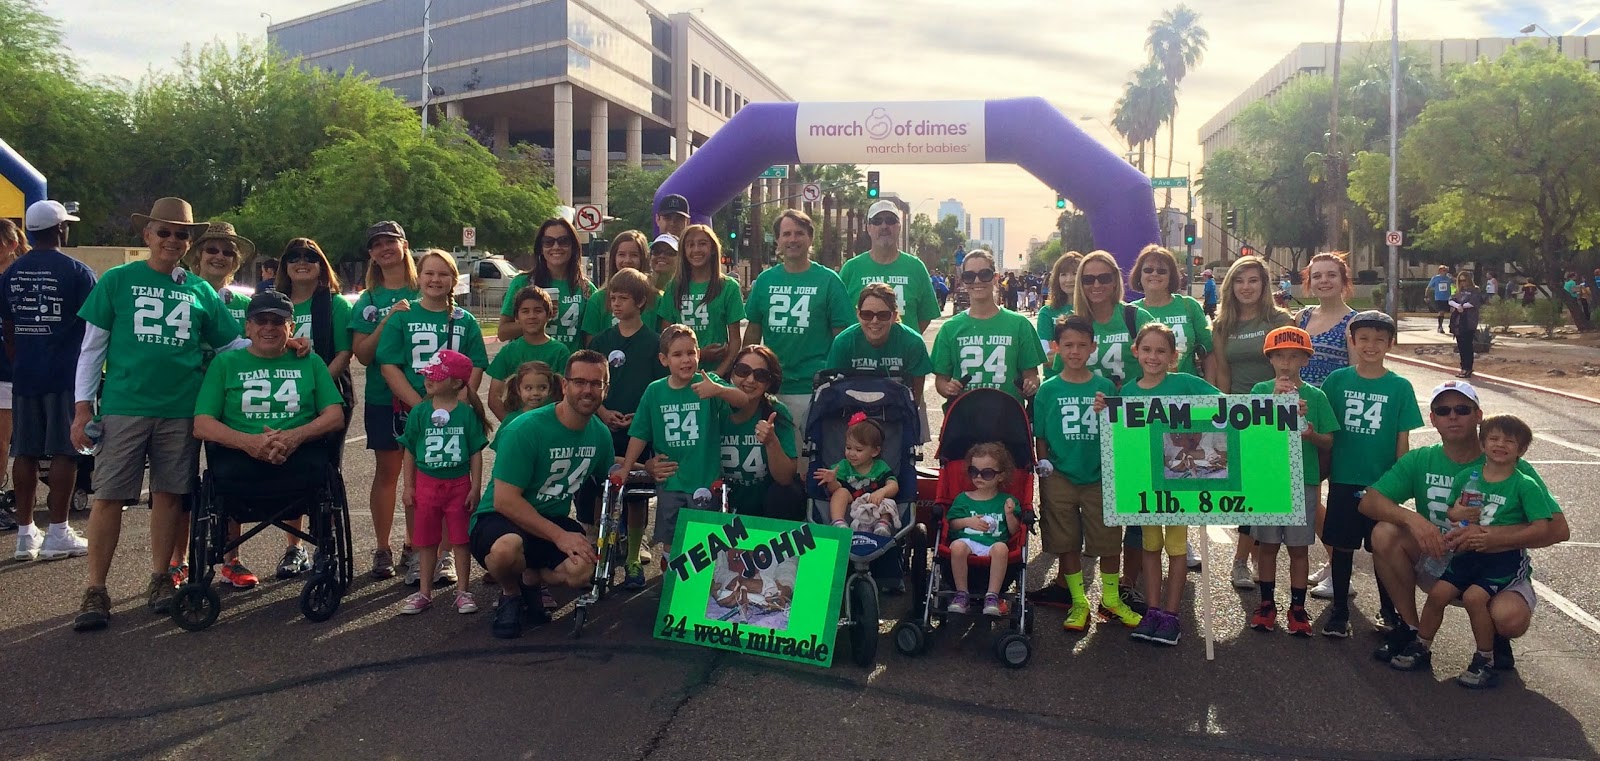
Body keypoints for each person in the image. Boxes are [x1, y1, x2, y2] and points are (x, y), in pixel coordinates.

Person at [70, 198, 244, 631]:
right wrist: (82, 408)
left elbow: (231, 345)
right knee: (109, 497)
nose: (172, 239)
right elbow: (92, 348)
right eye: (163, 231)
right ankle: (96, 589)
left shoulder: (200, 291)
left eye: (181, 234)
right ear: (147, 235)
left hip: (181, 409)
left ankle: (161, 577)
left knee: (169, 495)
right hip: (125, 406)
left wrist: (282, 344)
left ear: (188, 242)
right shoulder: (117, 280)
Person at [1360, 379, 1567, 671]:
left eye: (1462, 409)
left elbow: (1558, 529)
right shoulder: (1422, 459)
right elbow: (1369, 502)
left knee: (1510, 619)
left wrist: (1492, 537)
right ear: (1433, 419)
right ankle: (1411, 631)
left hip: (1495, 563)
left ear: (1478, 416)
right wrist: (1414, 520)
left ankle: (1494, 639)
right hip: (1441, 556)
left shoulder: (1509, 465)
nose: (1453, 416)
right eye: (1443, 410)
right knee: (1384, 532)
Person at [191, 290, 344, 585]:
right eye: (261, 321)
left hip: (299, 459)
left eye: (278, 321)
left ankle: (314, 553)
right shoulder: (225, 364)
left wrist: (295, 436)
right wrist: (249, 443)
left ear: (291, 327)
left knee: (319, 470)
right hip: (239, 461)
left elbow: (334, 415)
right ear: (248, 327)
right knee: (224, 472)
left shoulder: (311, 362)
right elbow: (202, 424)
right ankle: (231, 561)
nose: (269, 327)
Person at [1387, 415, 1551, 689]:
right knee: (1438, 593)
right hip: (1467, 554)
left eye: (1509, 441)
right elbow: (1453, 510)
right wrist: (1458, 514)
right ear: (1482, 444)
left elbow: (1542, 527)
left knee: (1475, 597)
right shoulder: (1468, 478)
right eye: (1494, 439)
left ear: (1521, 450)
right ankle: (1421, 645)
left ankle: (1484, 659)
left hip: (1502, 559)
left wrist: (1495, 537)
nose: (1500, 445)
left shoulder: (1524, 484)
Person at [473, 351, 614, 639]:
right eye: (579, 382)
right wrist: (560, 536)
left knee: (582, 569)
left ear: (605, 389)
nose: (587, 390)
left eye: (596, 383)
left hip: (549, 518)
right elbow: (505, 500)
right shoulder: (525, 429)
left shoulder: (599, 434)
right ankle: (511, 593)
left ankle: (528, 580)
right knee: (506, 550)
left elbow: (610, 469)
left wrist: (645, 465)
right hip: (501, 517)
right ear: (564, 385)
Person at [1095, 323, 1220, 646]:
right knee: (1150, 545)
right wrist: (1104, 411)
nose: (1153, 357)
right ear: (1135, 352)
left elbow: (1230, 409)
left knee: (1176, 548)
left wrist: (1276, 404)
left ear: (1173, 356)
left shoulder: (1187, 383)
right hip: (1145, 483)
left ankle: (1171, 614)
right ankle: (1152, 610)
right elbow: (1120, 437)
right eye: (1147, 350)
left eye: (1161, 351)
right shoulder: (1128, 392)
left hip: (1180, 484)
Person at [378, 250, 490, 587]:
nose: (435, 279)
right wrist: (421, 407)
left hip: (453, 412)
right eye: (429, 273)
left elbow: (476, 365)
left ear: (454, 280)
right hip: (415, 409)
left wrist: (456, 404)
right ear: (419, 276)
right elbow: (389, 364)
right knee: (419, 486)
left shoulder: (464, 320)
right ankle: (418, 551)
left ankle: (445, 554)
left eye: (443, 274)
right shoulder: (403, 316)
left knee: (452, 483)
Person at [1031, 315, 1140, 629]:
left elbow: (1118, 429)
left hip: (1099, 475)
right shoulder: (1048, 389)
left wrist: (1108, 413)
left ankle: (1111, 598)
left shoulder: (1104, 386)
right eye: (1068, 345)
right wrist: (1043, 463)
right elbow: (1041, 435)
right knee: (1065, 540)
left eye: (1082, 345)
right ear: (1056, 347)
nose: (1075, 351)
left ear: (1093, 347)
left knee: (1108, 540)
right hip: (1060, 475)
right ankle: (1078, 601)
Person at [1318, 310, 1422, 638]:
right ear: (1352, 341)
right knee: (1342, 547)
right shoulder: (1337, 381)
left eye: (1379, 339)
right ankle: (1339, 611)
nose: (1371, 345)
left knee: (1382, 549)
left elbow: (1402, 439)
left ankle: (1389, 610)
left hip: (1382, 484)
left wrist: (1401, 482)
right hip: (1344, 477)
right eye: (1363, 338)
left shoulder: (1400, 387)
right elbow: (1326, 430)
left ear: (1391, 343)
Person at [2, 202, 94, 560]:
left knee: (24, 451)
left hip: (25, 372)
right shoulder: (77, 272)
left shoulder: (12, 272)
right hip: (65, 374)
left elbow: (9, 328)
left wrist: (20, 362)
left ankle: (25, 534)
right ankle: (58, 531)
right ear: (59, 229)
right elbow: (94, 328)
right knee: (64, 451)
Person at [617, 325, 748, 560]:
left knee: (705, 537)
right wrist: (626, 468)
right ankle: (671, 577)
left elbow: (742, 400)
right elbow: (640, 433)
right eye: (677, 354)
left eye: (691, 353)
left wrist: (719, 390)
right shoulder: (655, 391)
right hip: (671, 480)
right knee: (671, 539)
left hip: (704, 478)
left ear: (699, 353)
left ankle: (701, 579)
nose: (686, 360)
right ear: (664, 359)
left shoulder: (708, 382)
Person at [271, 238, 356, 580]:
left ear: (322, 265)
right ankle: (295, 546)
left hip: (328, 397)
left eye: (310, 257)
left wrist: (315, 388)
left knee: (325, 471)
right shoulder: (275, 304)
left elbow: (344, 354)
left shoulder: (335, 305)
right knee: (289, 469)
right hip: (282, 398)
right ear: (284, 265)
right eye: (294, 256)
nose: (301, 262)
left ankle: (326, 542)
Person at [1207, 255, 1293, 589]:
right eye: (1240, 281)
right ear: (1230, 286)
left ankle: (1257, 559)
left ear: (1264, 284)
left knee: (1270, 491)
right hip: (1239, 414)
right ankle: (1241, 561)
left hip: (1274, 413)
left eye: (1253, 280)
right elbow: (1223, 373)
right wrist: (1222, 416)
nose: (1246, 287)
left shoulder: (1280, 319)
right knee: (1247, 491)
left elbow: (1290, 365)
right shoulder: (1222, 325)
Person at [1248, 327, 1337, 637]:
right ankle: (1266, 603)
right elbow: (1250, 435)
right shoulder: (1260, 390)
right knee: (1268, 545)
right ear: (1270, 359)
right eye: (1280, 356)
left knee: (1299, 548)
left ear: (1305, 360)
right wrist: (1271, 403)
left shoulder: (1316, 395)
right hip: (1271, 480)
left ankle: (1297, 607)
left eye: (1294, 357)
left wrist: (1310, 433)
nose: (1286, 363)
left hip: (1304, 479)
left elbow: (1329, 441)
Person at [585, 268, 667, 589]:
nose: (616, 304)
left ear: (641, 301)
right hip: (604, 427)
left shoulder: (654, 343)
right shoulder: (602, 341)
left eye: (623, 298)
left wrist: (641, 418)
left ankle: (633, 556)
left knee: (635, 497)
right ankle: (599, 551)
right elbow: (591, 385)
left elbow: (660, 388)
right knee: (599, 488)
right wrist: (603, 412)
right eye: (613, 298)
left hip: (639, 431)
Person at [744, 209, 854, 447]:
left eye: (799, 233)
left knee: (809, 462)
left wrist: (837, 386)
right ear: (778, 240)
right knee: (774, 459)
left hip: (814, 389)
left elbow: (842, 339)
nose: (792, 239)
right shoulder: (765, 281)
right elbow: (753, 332)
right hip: (771, 388)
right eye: (786, 234)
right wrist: (745, 375)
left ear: (810, 238)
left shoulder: (829, 281)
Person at [351, 220, 421, 580]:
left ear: (404, 245)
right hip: (384, 398)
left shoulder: (425, 288)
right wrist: (388, 320)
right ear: (371, 254)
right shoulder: (369, 300)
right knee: (388, 472)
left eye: (390, 241)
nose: (384, 248)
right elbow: (363, 355)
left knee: (421, 474)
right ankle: (382, 548)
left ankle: (415, 545)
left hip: (425, 397)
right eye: (377, 244)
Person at [397, 350, 490, 615]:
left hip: (458, 484)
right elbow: (410, 450)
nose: (429, 380)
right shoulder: (419, 412)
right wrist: (409, 486)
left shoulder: (466, 415)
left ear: (457, 382)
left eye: (436, 376)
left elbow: (475, 453)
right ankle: (424, 592)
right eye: (428, 375)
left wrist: (475, 487)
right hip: (427, 484)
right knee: (426, 541)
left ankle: (463, 590)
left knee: (460, 540)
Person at [932, 250, 1045, 403]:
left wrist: (1030, 386)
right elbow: (941, 380)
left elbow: (1032, 375)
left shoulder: (1020, 324)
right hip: (963, 414)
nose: (977, 281)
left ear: (995, 278)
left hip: (1009, 413)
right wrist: (947, 388)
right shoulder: (950, 328)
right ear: (963, 281)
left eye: (984, 274)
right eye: (969, 276)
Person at [719, 345, 802, 520]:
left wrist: (771, 442)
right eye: (743, 371)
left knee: (785, 494)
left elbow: (786, 478)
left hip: (765, 506)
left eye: (760, 375)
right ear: (732, 373)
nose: (750, 380)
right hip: (720, 501)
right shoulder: (715, 407)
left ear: (769, 383)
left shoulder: (777, 412)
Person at [839, 201, 941, 333]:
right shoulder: (851, 269)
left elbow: (925, 316)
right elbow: (839, 316)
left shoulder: (916, 267)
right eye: (877, 221)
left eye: (890, 220)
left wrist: (902, 339)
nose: (884, 226)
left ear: (899, 227)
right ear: (868, 228)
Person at [657, 224, 745, 376]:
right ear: (684, 251)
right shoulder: (673, 287)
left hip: (718, 373)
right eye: (690, 245)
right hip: (681, 374)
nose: (696, 249)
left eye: (702, 243)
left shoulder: (728, 287)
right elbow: (666, 337)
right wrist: (700, 354)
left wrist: (717, 375)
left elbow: (735, 341)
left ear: (712, 249)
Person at [824, 282, 932, 407]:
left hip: (899, 409)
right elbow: (832, 392)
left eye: (883, 315)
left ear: (894, 316)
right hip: (851, 409)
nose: (874, 321)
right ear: (858, 314)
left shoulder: (913, 342)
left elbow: (915, 399)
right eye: (867, 314)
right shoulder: (843, 342)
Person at [945, 442, 1020, 617]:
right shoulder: (963, 499)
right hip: (968, 541)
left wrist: (1009, 514)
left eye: (986, 473)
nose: (978, 476)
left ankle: (992, 596)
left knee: (1002, 549)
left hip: (993, 543)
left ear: (1000, 476)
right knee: (957, 546)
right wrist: (967, 521)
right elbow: (952, 524)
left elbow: (1014, 531)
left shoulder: (1007, 500)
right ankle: (962, 594)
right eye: (974, 471)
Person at [499, 217, 592, 350]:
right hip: (529, 361)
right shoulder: (522, 283)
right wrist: (536, 319)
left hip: (568, 361)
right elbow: (503, 333)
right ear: (540, 248)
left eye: (563, 241)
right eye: (548, 242)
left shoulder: (586, 288)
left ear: (573, 247)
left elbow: (590, 338)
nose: (556, 247)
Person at [1071, 251, 1156, 388]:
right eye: (1088, 279)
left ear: (1115, 281)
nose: (1096, 285)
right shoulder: (1073, 324)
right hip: (1087, 401)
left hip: (1133, 400)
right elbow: (1061, 375)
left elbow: (1163, 366)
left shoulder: (1137, 318)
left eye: (1104, 278)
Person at [487, 286, 570, 422]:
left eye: (538, 310)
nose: (532, 316)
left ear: (549, 315)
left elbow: (568, 396)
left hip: (550, 425)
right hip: (518, 425)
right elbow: (494, 397)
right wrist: (514, 425)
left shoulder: (560, 351)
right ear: (516, 317)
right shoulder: (508, 351)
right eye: (525, 311)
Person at [1132, 245, 1212, 378]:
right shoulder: (1130, 312)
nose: (1154, 274)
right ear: (1139, 274)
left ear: (1171, 276)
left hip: (1187, 388)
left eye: (1162, 271)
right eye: (1148, 270)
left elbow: (1209, 352)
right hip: (1145, 388)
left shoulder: (1189, 306)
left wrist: (1209, 387)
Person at [818, 415, 899, 534]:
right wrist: (832, 481)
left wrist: (882, 492)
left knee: (887, 501)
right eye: (848, 448)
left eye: (859, 450)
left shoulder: (880, 467)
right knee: (840, 492)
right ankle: (838, 522)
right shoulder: (843, 466)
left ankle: (882, 524)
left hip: (874, 505)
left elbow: (894, 485)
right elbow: (834, 490)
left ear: (875, 451)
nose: (851, 453)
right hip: (850, 503)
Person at [579, 231, 652, 344]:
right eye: (621, 254)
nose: (627, 260)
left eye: (634, 255)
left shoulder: (656, 298)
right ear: (614, 258)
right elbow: (591, 344)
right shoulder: (597, 299)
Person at [1036, 252, 1080, 373]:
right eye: (1063, 274)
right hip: (1055, 381)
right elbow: (1046, 358)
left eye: (1075, 273)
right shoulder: (1047, 312)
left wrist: (1060, 351)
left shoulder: (1092, 309)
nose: (1069, 279)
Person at [495, 361, 559, 435]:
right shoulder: (511, 420)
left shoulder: (555, 419)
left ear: (550, 389)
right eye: (528, 388)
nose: (535, 393)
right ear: (518, 389)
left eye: (542, 388)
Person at [1449, 271, 1484, 378]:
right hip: (1458, 322)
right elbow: (1451, 300)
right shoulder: (1458, 290)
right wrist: (1457, 306)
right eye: (1460, 281)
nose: (1462, 283)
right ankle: (1463, 367)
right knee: (1461, 346)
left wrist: (1462, 306)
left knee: (1467, 345)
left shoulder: (1475, 290)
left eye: (1464, 280)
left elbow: (1474, 303)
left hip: (1469, 322)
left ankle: (1468, 368)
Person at [1428, 265, 1454, 333]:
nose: (1445, 272)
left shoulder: (1448, 278)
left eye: (1446, 271)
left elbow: (1455, 284)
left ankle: (1452, 326)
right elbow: (1429, 287)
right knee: (1441, 312)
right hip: (1439, 298)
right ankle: (1440, 327)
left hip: (1448, 298)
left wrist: (1453, 278)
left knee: (1453, 312)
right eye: (1444, 270)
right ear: (1440, 271)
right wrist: (1426, 296)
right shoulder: (1435, 278)